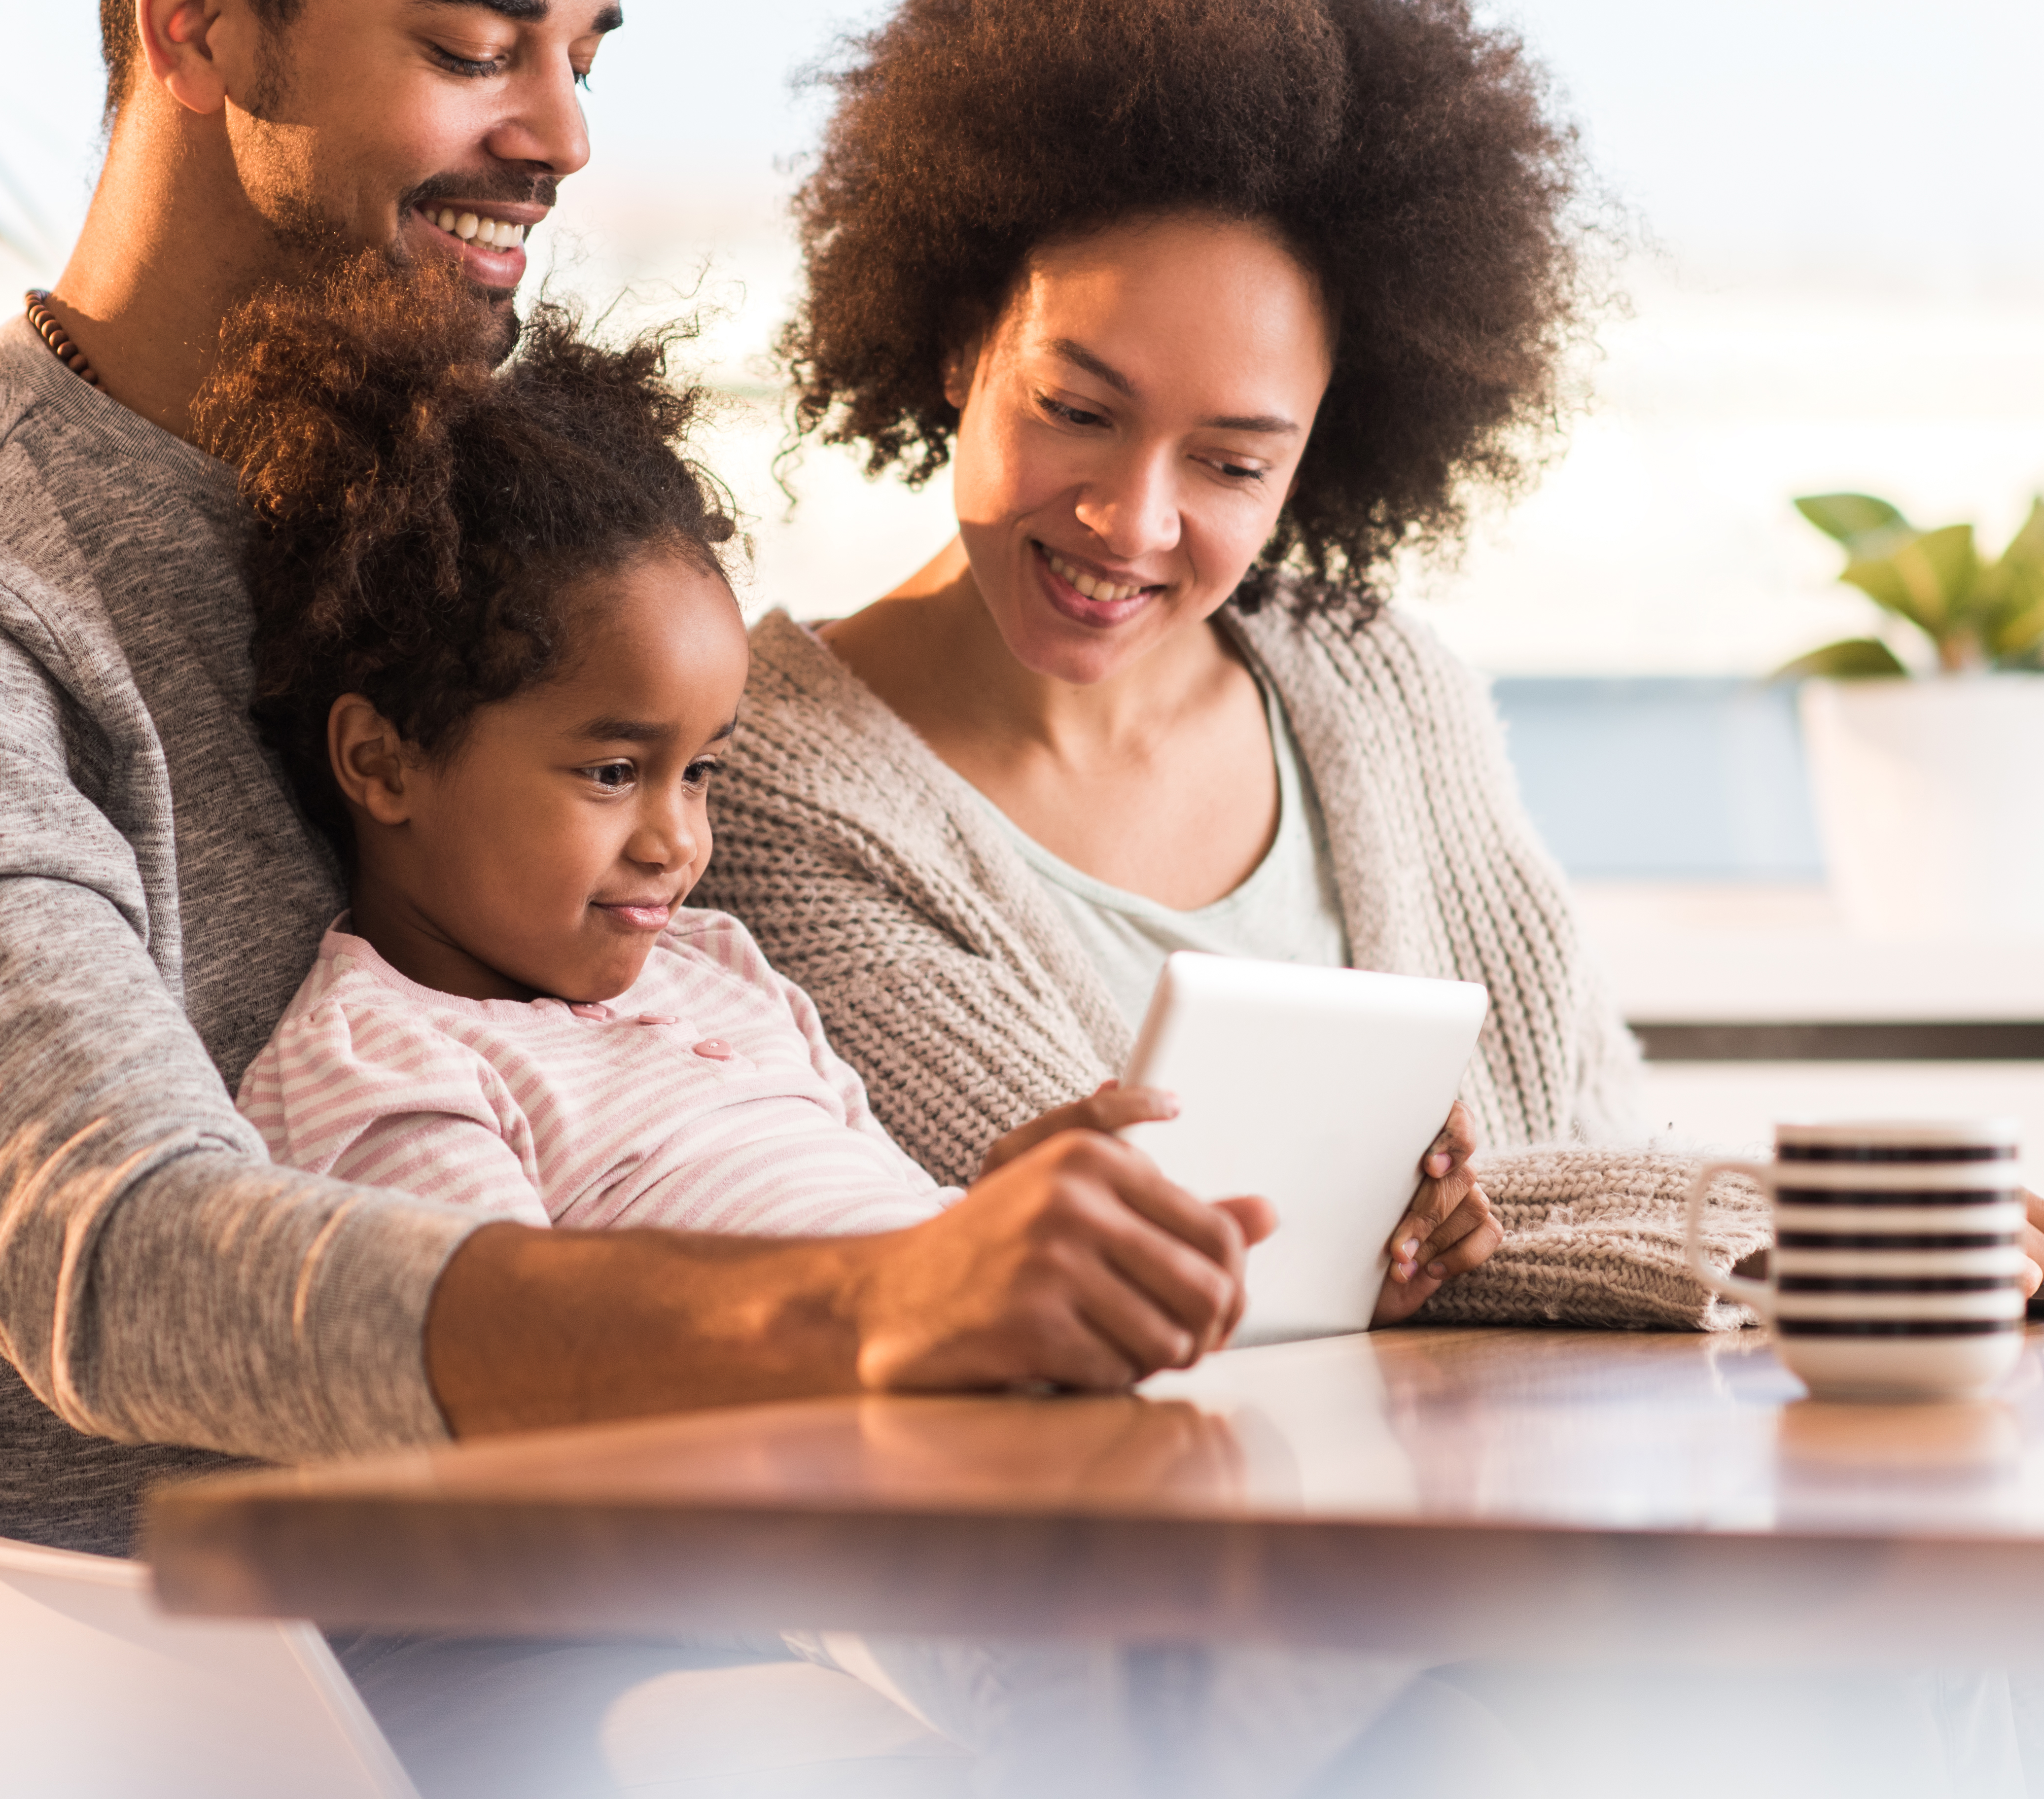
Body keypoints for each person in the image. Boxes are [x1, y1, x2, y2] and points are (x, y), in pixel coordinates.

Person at [0, 0, 1278, 1791]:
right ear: (199, 26)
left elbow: (655, 1078)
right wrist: (874, 1313)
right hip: (264, 1706)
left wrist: (987, 1225)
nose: (561, 134)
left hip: (691, 1618)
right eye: (475, 43)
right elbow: (127, 1262)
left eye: (586, 53)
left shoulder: (452, 518)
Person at [204, 254, 1500, 1796]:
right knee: (1166, 1659)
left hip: (1018, 1443)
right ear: (384, 761)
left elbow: (889, 1225)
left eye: (700, 773)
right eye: (614, 774)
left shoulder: (718, 971)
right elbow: (492, 1405)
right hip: (832, 1523)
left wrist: (1030, 1212)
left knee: (1423, 1610)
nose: (680, 841)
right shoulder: (381, 1057)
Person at [701, 0, 2044, 1311]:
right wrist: (1798, 1221)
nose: (1133, 519)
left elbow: (1581, 1132)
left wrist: (1746, 1221)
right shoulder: (763, 786)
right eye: (1077, 408)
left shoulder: (1380, 688)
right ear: (958, 341)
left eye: (1232, 461)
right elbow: (1172, 1250)